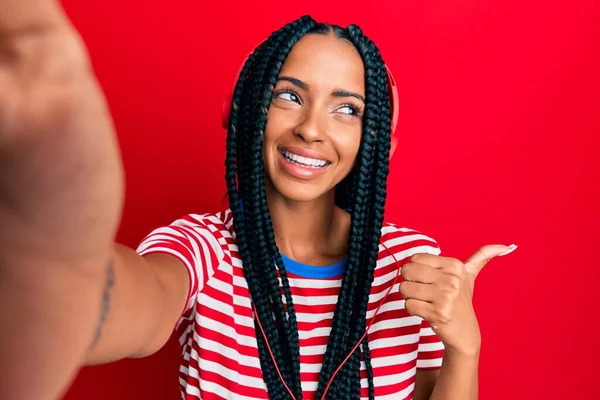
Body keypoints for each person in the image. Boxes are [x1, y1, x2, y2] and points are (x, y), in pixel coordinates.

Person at [0, 2, 517, 400]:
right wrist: (52, 266)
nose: (311, 128)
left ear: (375, 141)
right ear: (244, 112)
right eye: (288, 95)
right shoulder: (204, 248)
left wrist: (463, 347)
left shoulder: (410, 265)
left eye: (347, 109)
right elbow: (139, 302)